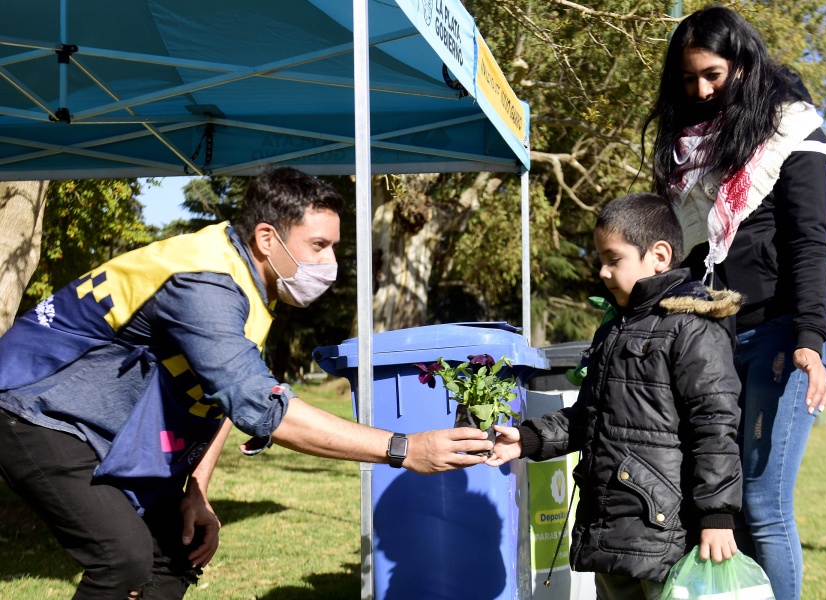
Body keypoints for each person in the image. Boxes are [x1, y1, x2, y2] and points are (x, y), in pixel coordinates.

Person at [0, 166, 492, 599]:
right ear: (266, 239)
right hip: (31, 406)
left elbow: (217, 400)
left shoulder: (248, 281)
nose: (330, 263)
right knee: (121, 557)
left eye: (334, 247)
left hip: (84, 418)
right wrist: (405, 448)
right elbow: (258, 405)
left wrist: (196, 489)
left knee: (178, 552)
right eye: (318, 246)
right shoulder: (206, 284)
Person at [641, 6, 826, 599]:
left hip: (781, 334)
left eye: (714, 75)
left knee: (762, 501)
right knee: (721, 496)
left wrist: (809, 341)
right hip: (713, 338)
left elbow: (809, 239)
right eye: (689, 79)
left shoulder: (792, 128)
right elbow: (679, 252)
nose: (701, 90)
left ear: (743, 65)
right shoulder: (690, 147)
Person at [487, 193, 743, 600]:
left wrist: (717, 513)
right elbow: (590, 416)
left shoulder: (693, 328)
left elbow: (715, 427)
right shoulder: (615, 328)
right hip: (610, 526)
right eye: (600, 261)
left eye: (614, 259)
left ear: (659, 255)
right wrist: (529, 439)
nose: (603, 272)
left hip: (664, 534)